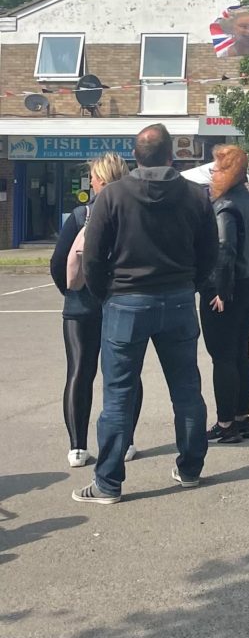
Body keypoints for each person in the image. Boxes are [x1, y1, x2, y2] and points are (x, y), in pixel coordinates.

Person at [75, 123, 218, 503]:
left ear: (134, 157)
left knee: (118, 394)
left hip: (126, 299)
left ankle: (108, 482)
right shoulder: (195, 197)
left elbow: (92, 256)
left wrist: (105, 293)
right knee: (187, 389)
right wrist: (192, 282)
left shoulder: (112, 197)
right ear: (171, 155)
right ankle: (190, 468)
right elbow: (210, 254)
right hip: (177, 297)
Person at [49, 153, 142, 469]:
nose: (90, 181)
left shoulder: (81, 215)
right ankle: (126, 441)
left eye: (92, 176)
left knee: (78, 371)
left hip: (82, 305)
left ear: (101, 179)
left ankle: (77, 447)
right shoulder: (134, 212)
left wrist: (72, 291)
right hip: (122, 300)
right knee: (126, 373)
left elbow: (58, 262)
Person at [200, 146, 249, 444]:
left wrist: (221, 290)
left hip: (227, 289)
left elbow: (225, 250)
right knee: (240, 352)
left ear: (227, 173)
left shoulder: (225, 207)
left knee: (222, 357)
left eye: (217, 169)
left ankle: (225, 423)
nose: (212, 174)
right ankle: (242, 418)